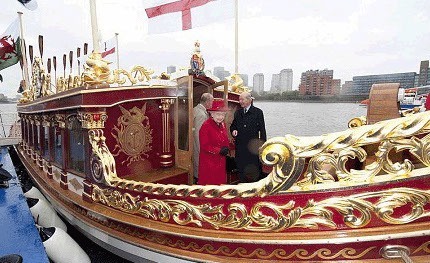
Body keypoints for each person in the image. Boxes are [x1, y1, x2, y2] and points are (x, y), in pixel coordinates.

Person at [230, 92, 267, 183]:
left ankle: (254, 188)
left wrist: (263, 145)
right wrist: (233, 131)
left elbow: (262, 130)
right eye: (239, 99)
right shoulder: (238, 113)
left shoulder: (258, 112)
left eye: (242, 99)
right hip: (240, 147)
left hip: (252, 147)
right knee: (241, 168)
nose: (240, 101)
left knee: (253, 168)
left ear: (249, 100)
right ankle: (242, 187)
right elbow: (233, 126)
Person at [198, 99, 230, 185]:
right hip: (209, 162)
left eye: (223, 115)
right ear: (212, 114)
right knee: (210, 186)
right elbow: (205, 145)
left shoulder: (222, 124)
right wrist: (219, 151)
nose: (221, 117)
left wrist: (227, 147)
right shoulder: (206, 126)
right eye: (218, 114)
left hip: (220, 161)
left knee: (220, 185)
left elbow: (225, 139)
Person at [193, 93, 214, 183]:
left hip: (193, 145)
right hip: (199, 147)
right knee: (199, 169)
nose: (212, 103)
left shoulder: (195, 109)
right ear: (207, 102)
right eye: (212, 101)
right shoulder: (202, 114)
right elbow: (198, 134)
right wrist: (202, 150)